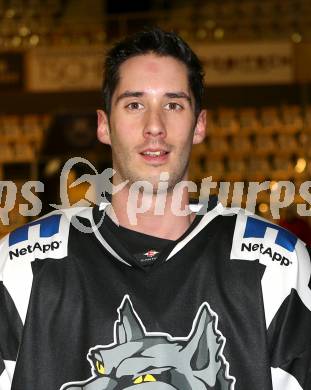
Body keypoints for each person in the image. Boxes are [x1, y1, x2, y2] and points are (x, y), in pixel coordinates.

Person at [0, 28, 310, 390]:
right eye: (134, 104)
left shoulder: (276, 266)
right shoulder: (21, 266)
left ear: (200, 125)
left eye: (173, 104)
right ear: (103, 125)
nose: (154, 127)